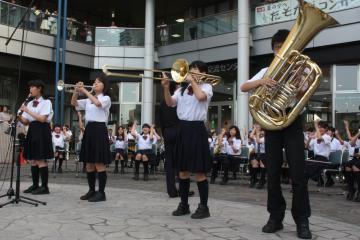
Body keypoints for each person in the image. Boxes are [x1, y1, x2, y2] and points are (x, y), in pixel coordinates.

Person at [240, 30, 312, 239]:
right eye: (279, 46)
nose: (282, 49)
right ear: (274, 49)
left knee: (298, 174)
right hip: (271, 122)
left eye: (286, 45)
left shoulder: (300, 69)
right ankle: (275, 217)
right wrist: (262, 82)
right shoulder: (265, 69)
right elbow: (244, 86)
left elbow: (303, 96)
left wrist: (298, 81)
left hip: (292, 120)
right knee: (271, 173)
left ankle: (302, 220)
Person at [162, 60, 213, 219]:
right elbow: (170, 103)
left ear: (203, 73)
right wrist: (165, 88)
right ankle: (184, 204)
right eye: (190, 70)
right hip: (182, 129)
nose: (191, 72)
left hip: (197, 129)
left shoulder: (207, 87)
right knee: (182, 170)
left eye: (195, 70)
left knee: (199, 171)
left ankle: (204, 207)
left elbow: (200, 97)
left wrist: (193, 82)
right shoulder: (181, 89)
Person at [71, 76, 111, 202]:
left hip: (99, 129)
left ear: (104, 85)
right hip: (89, 129)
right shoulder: (88, 100)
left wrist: (85, 91)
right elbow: (74, 103)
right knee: (88, 162)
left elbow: (98, 103)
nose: (95, 83)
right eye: (94, 82)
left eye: (98, 82)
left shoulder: (106, 98)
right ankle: (91, 190)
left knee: (99, 162)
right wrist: (76, 91)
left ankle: (101, 193)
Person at [19, 80, 53, 195]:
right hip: (32, 129)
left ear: (39, 88)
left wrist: (27, 110)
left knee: (40, 158)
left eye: (32, 87)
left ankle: (44, 187)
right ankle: (35, 184)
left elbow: (42, 119)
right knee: (32, 159)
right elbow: (26, 121)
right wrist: (19, 115)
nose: (30, 89)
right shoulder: (29, 103)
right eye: (30, 87)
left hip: (42, 129)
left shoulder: (46, 102)